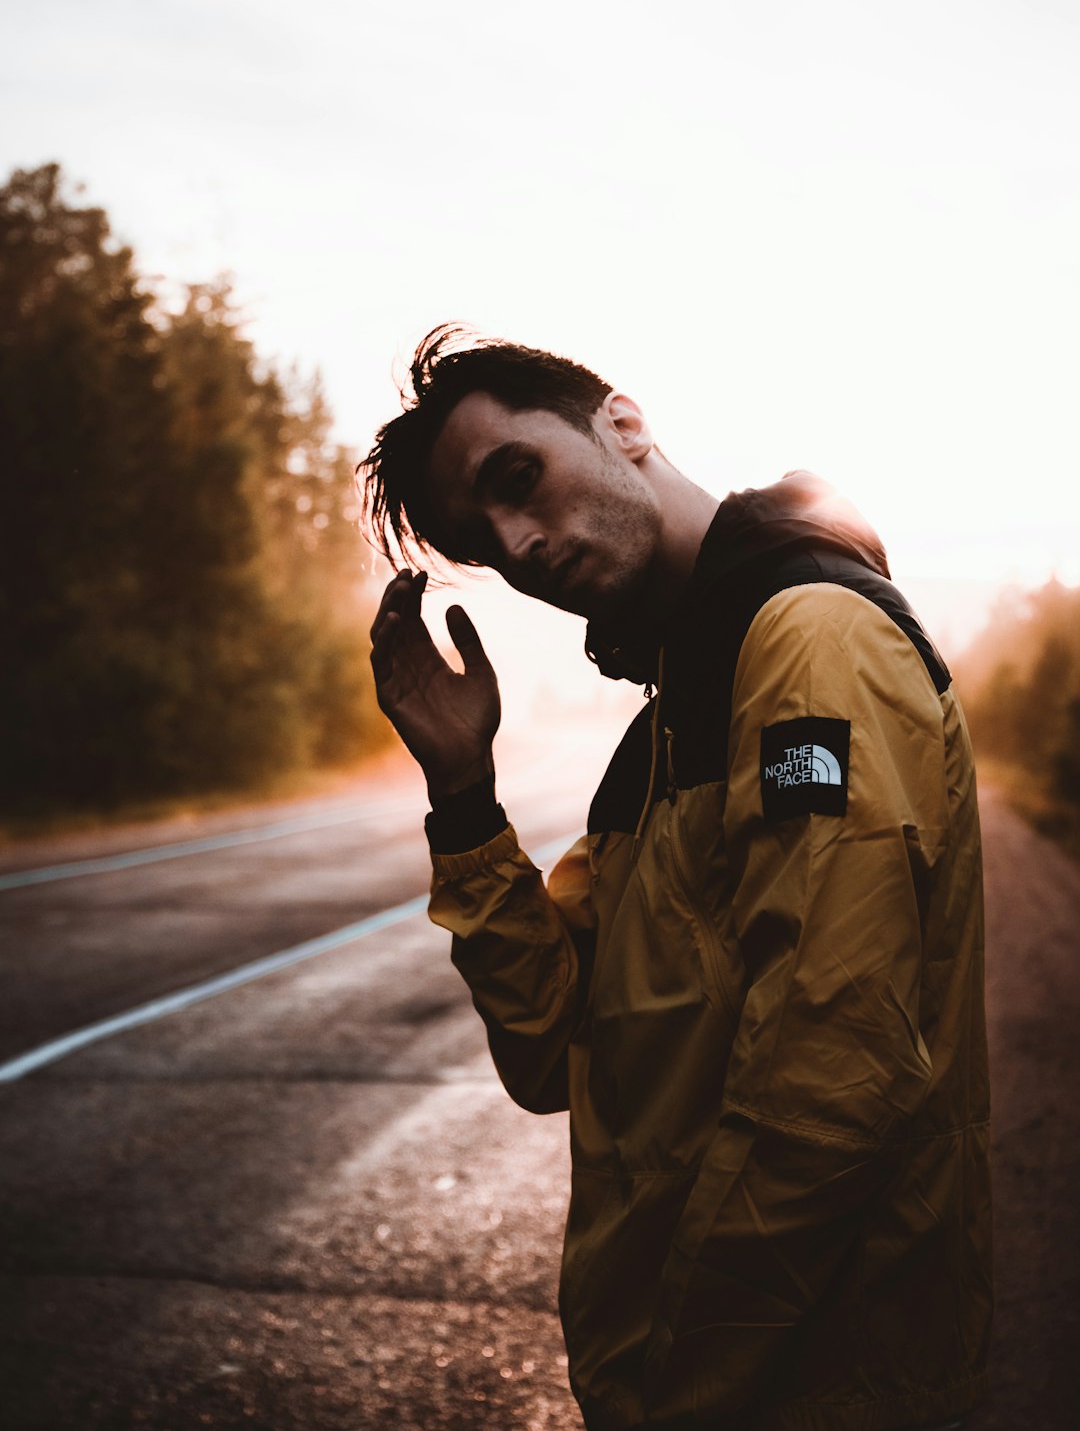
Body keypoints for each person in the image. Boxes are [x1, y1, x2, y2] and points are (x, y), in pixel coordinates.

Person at [359, 324, 992, 1431]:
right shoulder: (663, 733)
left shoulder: (808, 640)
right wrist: (463, 793)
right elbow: (556, 1048)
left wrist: (686, 1393)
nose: (521, 544)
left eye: (521, 480)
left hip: (802, 1382)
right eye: (487, 540)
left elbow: (834, 1075)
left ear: (623, 424)